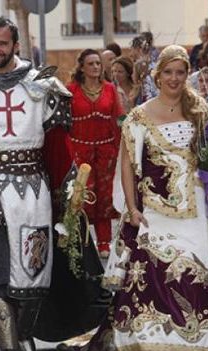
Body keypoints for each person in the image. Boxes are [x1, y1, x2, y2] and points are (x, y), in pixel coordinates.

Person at [0, 17, 106, 351]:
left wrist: (68, 193)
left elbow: (59, 146)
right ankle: (7, 349)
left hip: (32, 190)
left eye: (2, 44)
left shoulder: (42, 85)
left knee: (34, 274)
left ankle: (23, 332)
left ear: (16, 45)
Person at [62, 44, 208, 351]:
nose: (174, 79)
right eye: (168, 72)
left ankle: (195, 338)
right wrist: (132, 209)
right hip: (152, 208)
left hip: (195, 205)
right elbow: (128, 167)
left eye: (181, 72)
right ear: (157, 76)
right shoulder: (139, 115)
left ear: (187, 75)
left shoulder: (200, 110)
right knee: (151, 271)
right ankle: (148, 340)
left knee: (196, 269)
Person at [67, 49, 124, 258]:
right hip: (79, 152)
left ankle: (103, 242)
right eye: (91, 64)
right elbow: (65, 124)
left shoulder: (110, 89)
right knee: (80, 196)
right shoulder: (70, 90)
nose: (96, 67)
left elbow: (119, 119)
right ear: (82, 67)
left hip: (106, 152)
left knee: (104, 196)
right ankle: (77, 241)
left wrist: (125, 143)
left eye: (98, 64)